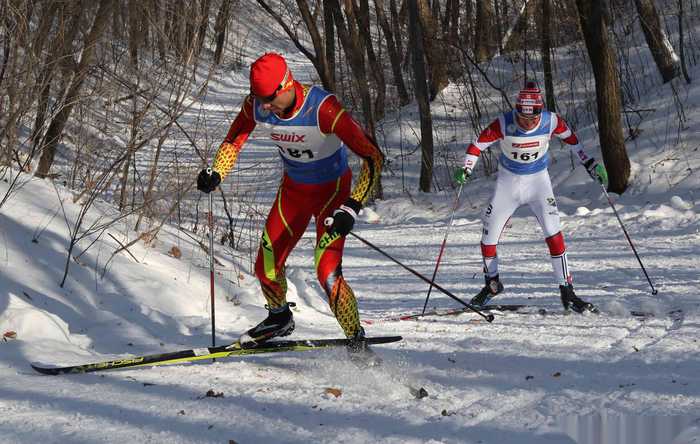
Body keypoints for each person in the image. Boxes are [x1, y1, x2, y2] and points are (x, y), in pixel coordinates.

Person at [197, 53, 384, 364]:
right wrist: (216, 171)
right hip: (294, 191)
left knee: (327, 274)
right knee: (265, 265)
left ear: (287, 84)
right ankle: (279, 317)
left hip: (332, 194)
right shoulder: (258, 103)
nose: (264, 107)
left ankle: (357, 341)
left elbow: (373, 157)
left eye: (269, 99)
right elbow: (234, 139)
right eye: (259, 99)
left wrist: (352, 205)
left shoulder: (324, 109)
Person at [454, 82, 608, 313]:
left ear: (539, 112)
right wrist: (466, 168)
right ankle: (492, 285)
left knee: (553, 233)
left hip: (538, 183)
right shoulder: (504, 123)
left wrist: (590, 163)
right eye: (522, 119)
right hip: (509, 184)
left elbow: (574, 142)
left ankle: (567, 291)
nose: (527, 123)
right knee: (488, 239)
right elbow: (477, 146)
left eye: (532, 119)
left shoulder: (551, 121)